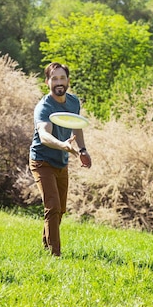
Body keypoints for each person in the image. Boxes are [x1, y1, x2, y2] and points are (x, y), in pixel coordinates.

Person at [29, 62, 92, 257]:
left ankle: (46, 246)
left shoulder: (73, 102)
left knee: (60, 209)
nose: (59, 82)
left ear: (68, 81)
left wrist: (82, 150)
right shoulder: (44, 107)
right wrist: (62, 145)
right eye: (54, 78)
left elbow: (77, 126)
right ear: (47, 82)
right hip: (42, 160)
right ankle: (55, 255)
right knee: (53, 206)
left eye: (62, 78)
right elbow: (45, 136)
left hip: (61, 162)